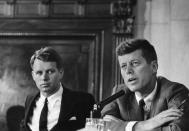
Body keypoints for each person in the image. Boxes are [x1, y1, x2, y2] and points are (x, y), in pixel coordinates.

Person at [101, 39, 189, 131]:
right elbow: (103, 126)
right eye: (123, 66)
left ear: (154, 67)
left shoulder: (175, 91)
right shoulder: (119, 93)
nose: (128, 71)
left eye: (135, 63)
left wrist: (124, 127)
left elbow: (177, 129)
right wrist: (143, 125)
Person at [20, 47, 95, 131]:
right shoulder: (30, 99)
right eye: (39, 73)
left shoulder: (83, 100)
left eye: (50, 71)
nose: (44, 78)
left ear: (61, 73)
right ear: (33, 76)